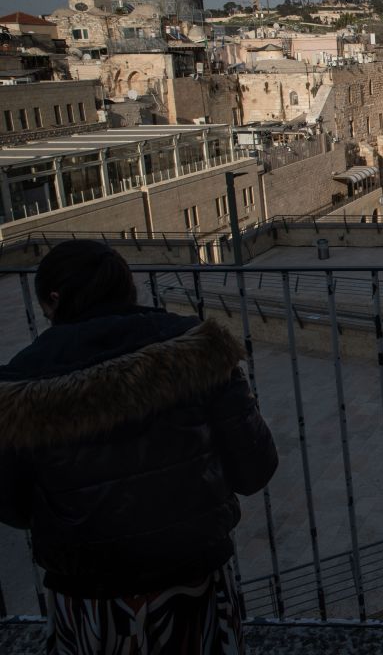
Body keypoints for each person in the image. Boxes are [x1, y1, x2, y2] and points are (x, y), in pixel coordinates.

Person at [0, 241, 278, 654]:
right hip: (194, 581)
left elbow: (14, 508)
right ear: (127, 288)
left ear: (54, 300)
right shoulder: (199, 346)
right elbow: (255, 468)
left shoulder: (19, 384)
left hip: (89, 596)